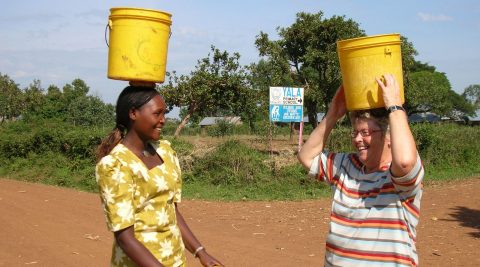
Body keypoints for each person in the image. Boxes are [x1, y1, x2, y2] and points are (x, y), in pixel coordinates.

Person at [298, 74, 424, 266]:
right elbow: (306, 156)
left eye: (365, 133)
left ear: (389, 137)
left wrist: (395, 107)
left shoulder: (399, 179)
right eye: (355, 132)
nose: (357, 139)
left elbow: (405, 162)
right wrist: (333, 113)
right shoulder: (346, 165)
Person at [95, 84, 223, 267]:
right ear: (133, 113)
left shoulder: (165, 151)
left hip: (175, 260)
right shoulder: (115, 165)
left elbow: (171, 211)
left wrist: (200, 252)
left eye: (164, 114)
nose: (163, 120)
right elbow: (125, 238)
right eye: (157, 114)